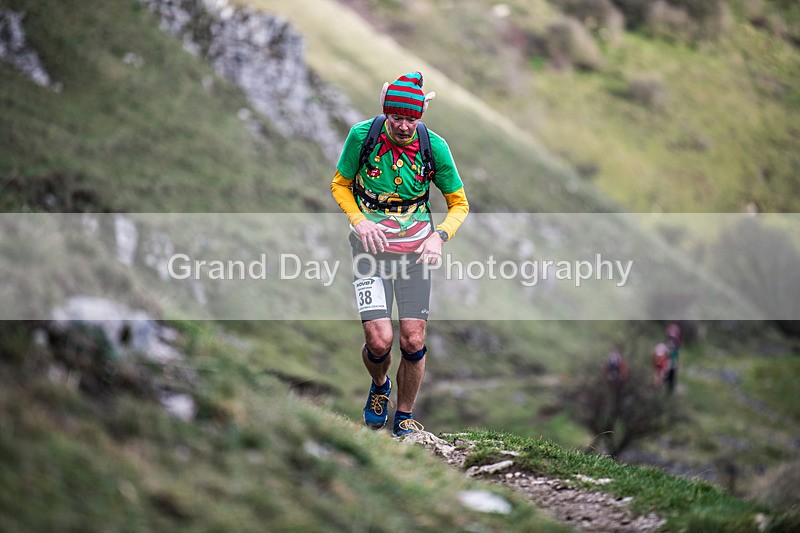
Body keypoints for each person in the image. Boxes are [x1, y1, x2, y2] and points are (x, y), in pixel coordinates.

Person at [330, 72, 469, 437]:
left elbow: (459, 203)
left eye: (412, 119)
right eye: (398, 119)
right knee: (379, 341)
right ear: (385, 113)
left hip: (415, 254)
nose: (405, 126)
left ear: (420, 116)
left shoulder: (433, 146)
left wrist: (439, 237)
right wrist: (360, 222)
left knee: (412, 339)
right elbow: (339, 184)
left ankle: (404, 417)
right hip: (368, 251)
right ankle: (380, 387)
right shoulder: (363, 136)